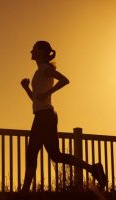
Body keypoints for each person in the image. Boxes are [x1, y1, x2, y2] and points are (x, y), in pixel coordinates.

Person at [20, 41, 107, 193]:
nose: (31, 51)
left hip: (45, 117)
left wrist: (47, 93)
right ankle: (93, 169)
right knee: (55, 155)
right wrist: (26, 89)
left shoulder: (46, 69)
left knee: (32, 152)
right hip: (43, 115)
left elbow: (65, 80)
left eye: (34, 48)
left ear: (41, 51)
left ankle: (24, 192)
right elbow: (37, 99)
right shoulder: (39, 71)